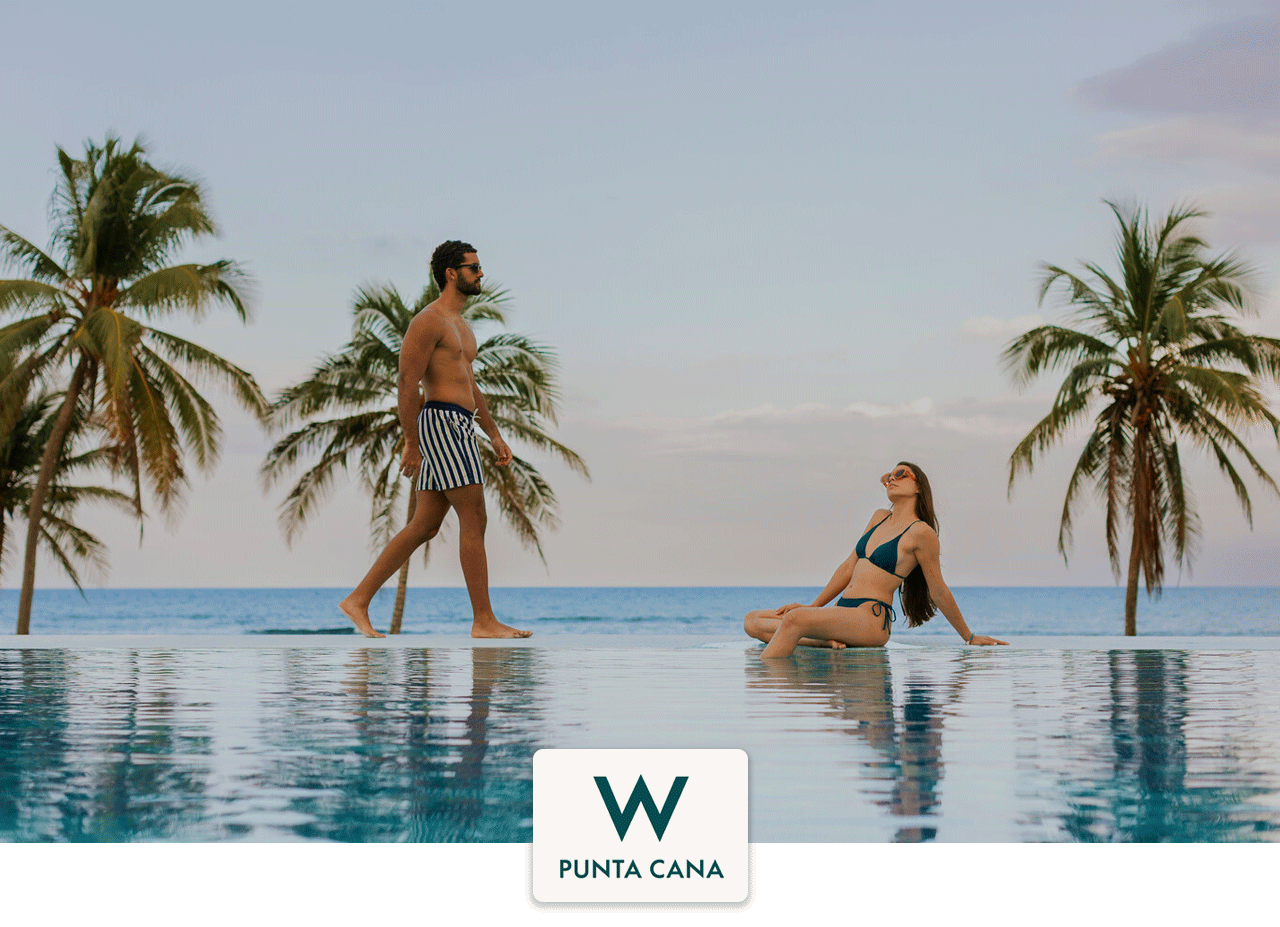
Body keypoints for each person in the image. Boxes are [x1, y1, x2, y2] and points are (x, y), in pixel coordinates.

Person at [339, 241, 532, 639]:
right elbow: (408, 382)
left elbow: (470, 384)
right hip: (441, 423)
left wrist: (493, 433)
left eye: (480, 266)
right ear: (451, 272)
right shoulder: (427, 321)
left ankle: (357, 600)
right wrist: (411, 442)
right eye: (473, 267)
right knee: (474, 517)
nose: (481, 273)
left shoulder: (462, 325)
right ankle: (483, 621)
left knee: (425, 525)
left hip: (461, 424)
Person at [744, 461, 1006, 657]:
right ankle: (824, 641)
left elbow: (938, 590)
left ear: (918, 486)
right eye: (888, 477)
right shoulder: (879, 517)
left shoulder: (921, 533)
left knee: (794, 620)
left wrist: (969, 637)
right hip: (843, 610)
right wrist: (813, 606)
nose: (891, 479)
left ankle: (771, 688)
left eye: (900, 474)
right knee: (753, 620)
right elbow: (848, 567)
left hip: (870, 619)